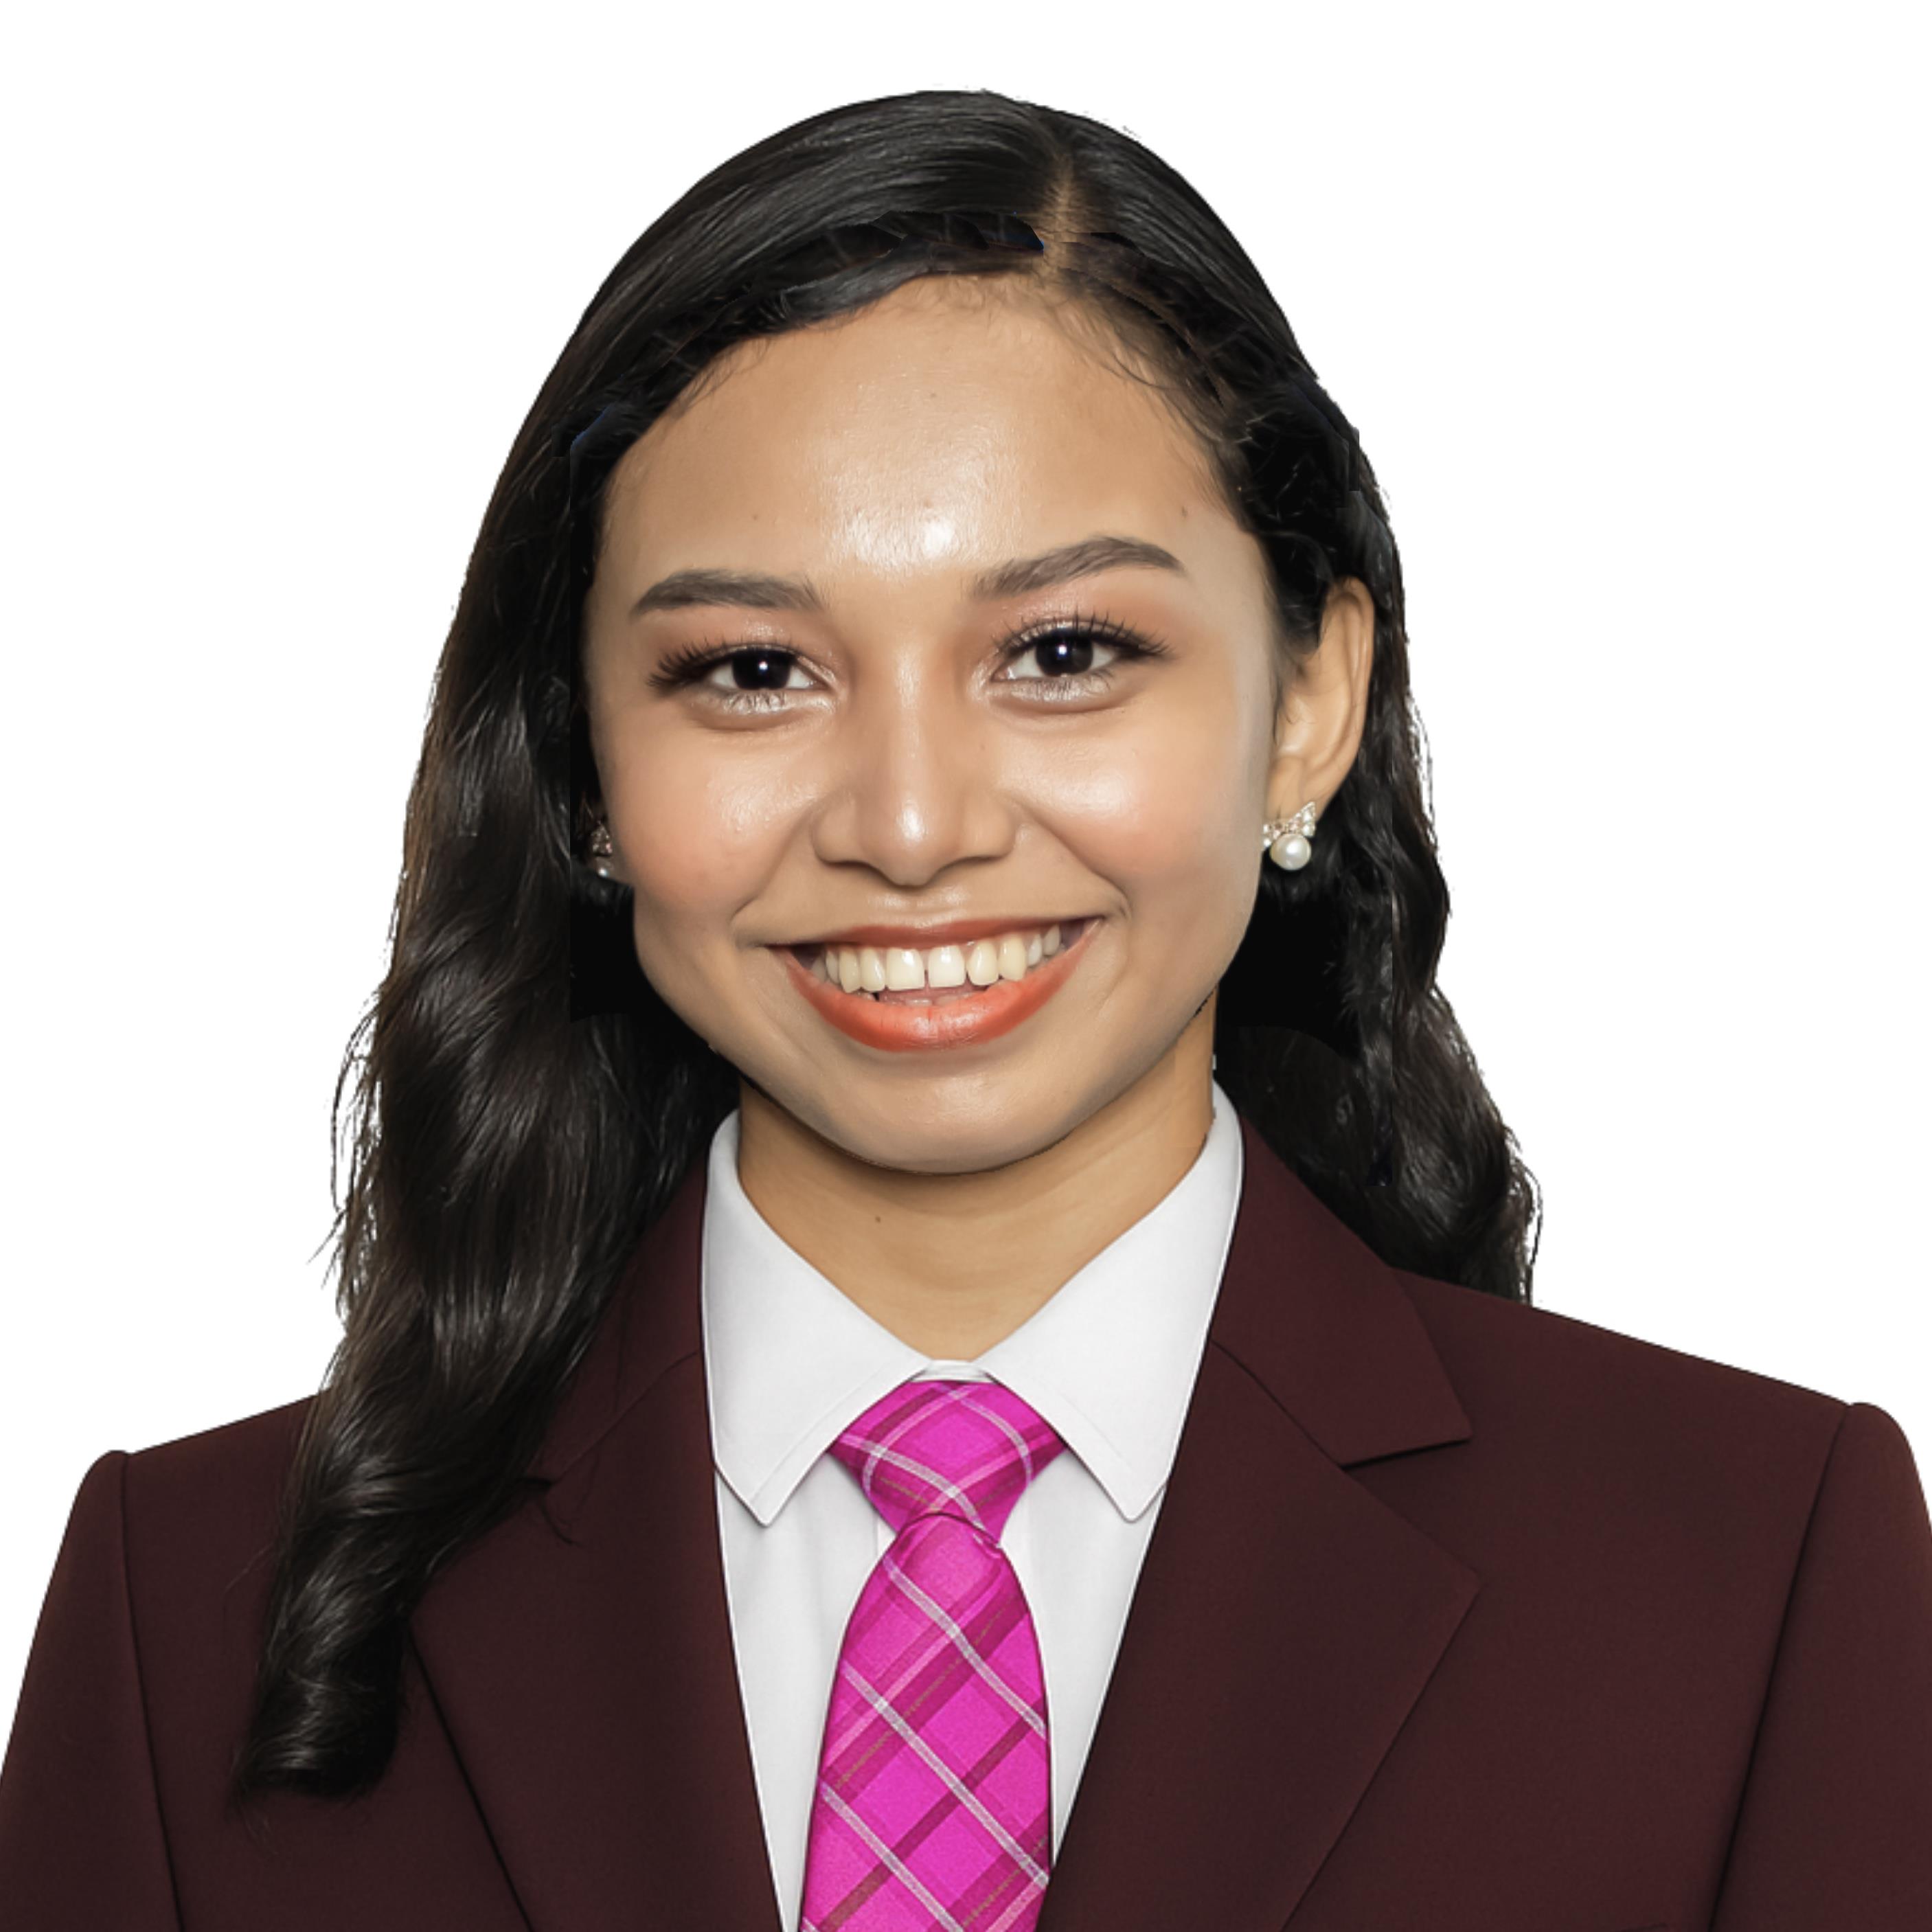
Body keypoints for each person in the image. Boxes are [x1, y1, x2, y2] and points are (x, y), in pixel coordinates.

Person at [1, 84, 1927, 1932]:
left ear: (1311, 702)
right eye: (752, 670)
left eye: (1065, 651)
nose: (912, 828)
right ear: (583, 768)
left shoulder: (1753, 1578)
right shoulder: (188, 1615)